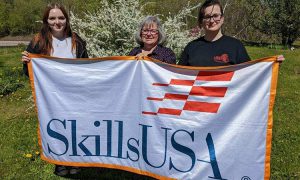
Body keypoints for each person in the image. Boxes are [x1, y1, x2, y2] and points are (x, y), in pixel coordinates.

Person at [21, 3, 88, 176]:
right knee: (56, 127)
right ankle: (59, 161)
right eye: (52, 18)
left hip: (74, 94)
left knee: (75, 127)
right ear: (46, 20)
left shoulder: (77, 40)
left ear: (66, 19)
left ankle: (75, 160)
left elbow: (87, 66)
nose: (57, 22)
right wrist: (26, 63)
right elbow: (28, 74)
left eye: (61, 18)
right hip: (51, 95)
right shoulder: (38, 41)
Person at [179, 0, 250, 66]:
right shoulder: (191, 47)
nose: (212, 21)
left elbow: (248, 74)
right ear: (201, 22)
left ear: (222, 19)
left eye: (215, 16)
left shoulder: (236, 46)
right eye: (207, 17)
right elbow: (178, 75)